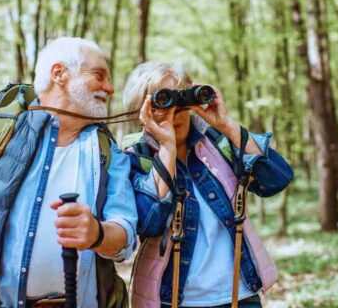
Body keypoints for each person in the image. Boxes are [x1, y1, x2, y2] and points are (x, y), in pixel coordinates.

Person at [0, 37, 137, 308]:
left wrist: (98, 233)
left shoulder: (108, 150)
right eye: (99, 75)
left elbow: (125, 236)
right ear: (59, 74)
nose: (110, 88)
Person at [122, 62, 293, 308]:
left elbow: (276, 179)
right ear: (142, 111)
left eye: (182, 100)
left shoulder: (218, 143)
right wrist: (167, 148)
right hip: (173, 300)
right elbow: (149, 222)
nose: (175, 113)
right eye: (164, 101)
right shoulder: (136, 158)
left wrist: (226, 125)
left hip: (239, 295)